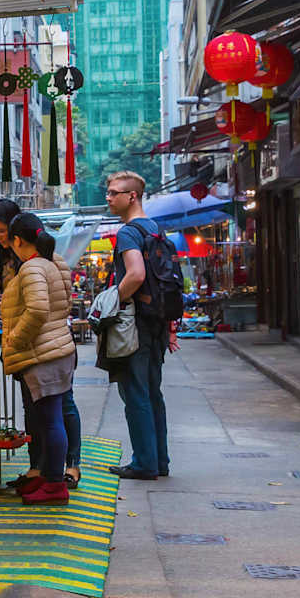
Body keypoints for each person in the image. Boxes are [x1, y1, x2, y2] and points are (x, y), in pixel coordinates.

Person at [0, 201, 82, 491]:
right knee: (42, 413)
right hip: (54, 345)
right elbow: (62, 302)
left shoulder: (32, 266)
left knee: (55, 415)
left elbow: (38, 310)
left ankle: (58, 478)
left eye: (2, 231)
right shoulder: (51, 261)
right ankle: (43, 473)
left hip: (42, 348)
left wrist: (18, 337)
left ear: (18, 234)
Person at [106, 172, 170, 480]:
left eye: (114, 193)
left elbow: (136, 275)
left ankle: (144, 463)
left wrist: (108, 302)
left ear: (133, 196)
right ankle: (160, 460)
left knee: (135, 394)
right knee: (153, 393)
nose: (108, 197)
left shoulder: (129, 233)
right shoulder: (157, 230)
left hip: (135, 325)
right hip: (156, 322)